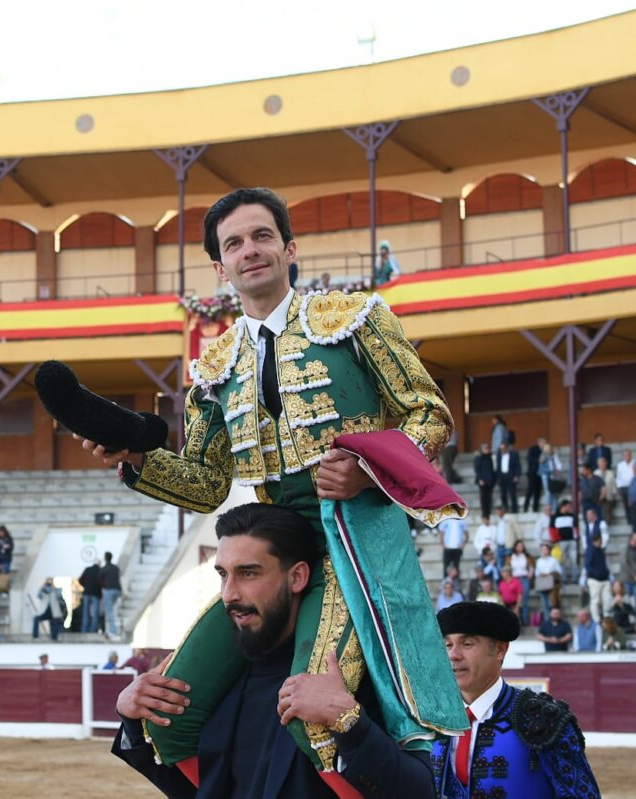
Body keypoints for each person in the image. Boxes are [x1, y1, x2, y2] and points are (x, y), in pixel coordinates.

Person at [82, 188, 466, 770]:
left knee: (318, 723)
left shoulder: (355, 321)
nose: (249, 251)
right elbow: (209, 483)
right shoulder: (215, 366)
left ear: (289, 249)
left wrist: (367, 470)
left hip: (352, 541)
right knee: (166, 718)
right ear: (220, 267)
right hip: (272, 547)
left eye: (261, 236)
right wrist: (136, 462)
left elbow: (431, 413)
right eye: (233, 244)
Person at [113, 503, 438, 796]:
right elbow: (199, 788)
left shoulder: (358, 674)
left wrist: (348, 720)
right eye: (223, 575)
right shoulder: (219, 684)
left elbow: (418, 790)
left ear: (297, 577)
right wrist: (132, 718)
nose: (229, 594)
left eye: (248, 573)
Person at [433, 601, 600, 797]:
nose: (453, 655)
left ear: (500, 650)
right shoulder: (429, 720)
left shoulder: (543, 720)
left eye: (467, 644)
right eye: (447, 645)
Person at [584, 534, 612, 625]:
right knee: (595, 600)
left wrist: (606, 573)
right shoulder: (590, 551)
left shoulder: (602, 551)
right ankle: (596, 619)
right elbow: (588, 566)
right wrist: (596, 573)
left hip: (604, 578)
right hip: (594, 579)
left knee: (607, 599)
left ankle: (606, 617)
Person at [551, 500, 578, 584]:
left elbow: (575, 527)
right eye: (568, 506)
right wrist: (555, 540)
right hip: (561, 541)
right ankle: (564, 579)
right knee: (562, 560)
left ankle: (575, 578)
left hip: (571, 540)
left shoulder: (571, 515)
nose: (569, 508)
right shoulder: (555, 516)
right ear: (564, 506)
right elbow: (551, 529)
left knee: (574, 560)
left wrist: (576, 537)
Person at [100, 551, 123, 638]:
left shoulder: (104, 569)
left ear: (105, 558)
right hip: (117, 590)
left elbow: (99, 579)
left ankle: (112, 631)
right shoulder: (116, 568)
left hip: (109, 590)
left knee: (109, 611)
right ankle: (110, 629)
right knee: (112, 610)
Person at [535, 543, 562, 615]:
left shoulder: (553, 560)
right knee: (544, 604)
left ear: (549, 550)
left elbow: (559, 571)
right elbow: (536, 572)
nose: (544, 551)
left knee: (552, 603)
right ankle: (547, 619)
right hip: (542, 583)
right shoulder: (539, 561)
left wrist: (550, 573)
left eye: (545, 549)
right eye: (543, 549)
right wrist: (540, 574)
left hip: (551, 584)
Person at [439, 515, 468, 580]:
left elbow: (467, 534)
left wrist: (463, 544)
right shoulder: (445, 521)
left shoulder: (462, 521)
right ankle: (445, 582)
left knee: (456, 566)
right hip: (448, 548)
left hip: (457, 548)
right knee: (446, 566)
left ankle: (456, 583)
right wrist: (443, 545)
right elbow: (441, 533)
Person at [495, 442, 521, 514]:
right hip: (502, 476)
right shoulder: (499, 456)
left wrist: (517, 475)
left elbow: (517, 466)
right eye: (501, 449)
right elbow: (498, 467)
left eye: (503, 448)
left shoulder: (514, 455)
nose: (502, 450)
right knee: (503, 494)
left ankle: (514, 509)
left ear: (507, 448)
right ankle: (505, 509)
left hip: (511, 475)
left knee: (512, 493)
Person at [79, 558, 103, 633]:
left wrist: (85, 586)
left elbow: (80, 580)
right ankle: (93, 629)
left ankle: (84, 629)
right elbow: (102, 583)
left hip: (87, 593)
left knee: (85, 612)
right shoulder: (100, 571)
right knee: (95, 613)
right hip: (95, 594)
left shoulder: (87, 569)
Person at [474, 443, 496, 519]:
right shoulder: (478, 458)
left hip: (490, 480)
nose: (486, 450)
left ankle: (489, 511)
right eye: (485, 449)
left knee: (489, 497)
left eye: (487, 448)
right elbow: (477, 470)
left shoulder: (491, 457)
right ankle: (484, 513)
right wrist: (480, 479)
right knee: (483, 497)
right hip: (482, 481)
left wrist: (494, 479)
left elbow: (494, 468)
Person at [619, 531, 636, 599]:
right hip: (627, 579)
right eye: (635, 540)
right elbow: (624, 564)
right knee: (627, 599)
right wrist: (634, 575)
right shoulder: (625, 549)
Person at [523, 437, 544, 513]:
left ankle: (535, 507)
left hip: (541, 474)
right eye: (542, 443)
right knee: (530, 490)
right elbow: (529, 458)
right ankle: (526, 506)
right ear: (538, 443)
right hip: (533, 473)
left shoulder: (545, 450)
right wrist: (537, 460)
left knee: (538, 492)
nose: (543, 444)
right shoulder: (533, 449)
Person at [614, 449, 636, 518]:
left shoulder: (635, 463)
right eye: (625, 455)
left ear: (631, 455)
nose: (627, 456)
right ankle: (629, 519)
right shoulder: (620, 465)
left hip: (633, 487)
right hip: (624, 487)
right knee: (626, 505)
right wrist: (619, 487)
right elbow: (618, 477)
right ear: (623, 456)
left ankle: (635, 520)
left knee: (634, 504)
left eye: (628, 455)